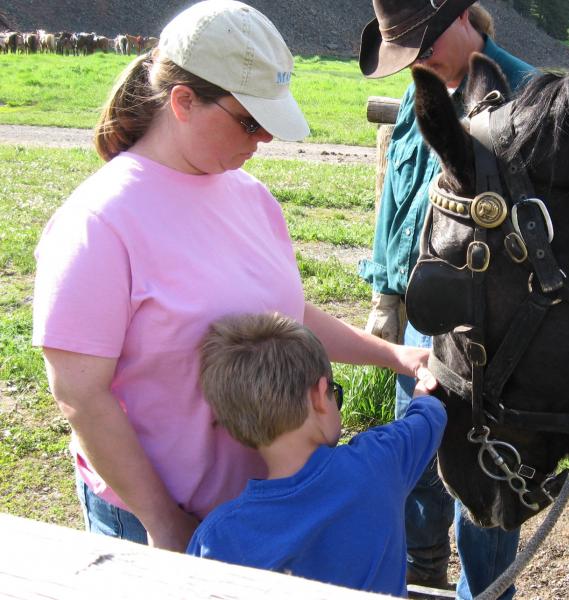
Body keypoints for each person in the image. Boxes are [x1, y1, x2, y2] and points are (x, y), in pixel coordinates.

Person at [33, 0, 436, 553]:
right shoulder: (99, 223)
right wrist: (163, 521)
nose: (264, 138)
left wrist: (393, 355)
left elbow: (287, 313)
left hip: (256, 508)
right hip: (156, 522)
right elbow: (80, 393)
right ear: (183, 102)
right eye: (251, 120)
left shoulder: (251, 198)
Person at [358, 1, 536, 598]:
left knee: (483, 471)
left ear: (464, 18)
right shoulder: (423, 88)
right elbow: (400, 194)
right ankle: (422, 570)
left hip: (494, 331)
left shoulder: (529, 98)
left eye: (424, 45)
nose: (418, 61)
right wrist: (387, 286)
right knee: (418, 448)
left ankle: (485, 592)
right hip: (421, 311)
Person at [187, 312, 446, 596]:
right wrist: (422, 385)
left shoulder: (217, 537)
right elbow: (427, 417)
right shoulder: (380, 462)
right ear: (319, 395)